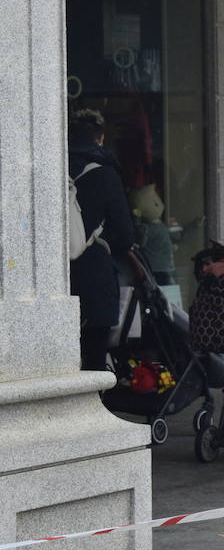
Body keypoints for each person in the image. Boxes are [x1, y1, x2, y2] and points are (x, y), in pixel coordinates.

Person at [68, 109, 137, 372]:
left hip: (52, 283)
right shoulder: (106, 174)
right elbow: (125, 235)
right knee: (93, 359)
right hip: (94, 280)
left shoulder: (48, 169)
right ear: (100, 139)